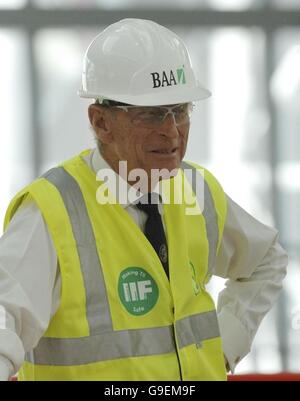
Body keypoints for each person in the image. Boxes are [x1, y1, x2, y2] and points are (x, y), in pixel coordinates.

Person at [0, 18, 287, 381]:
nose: (171, 131)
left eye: (180, 110)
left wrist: (225, 345)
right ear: (101, 121)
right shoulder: (53, 210)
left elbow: (265, 261)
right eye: (151, 114)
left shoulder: (195, 190)